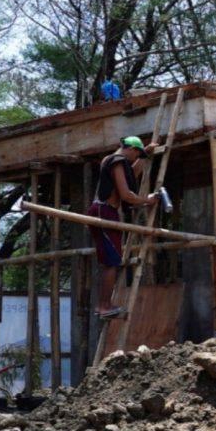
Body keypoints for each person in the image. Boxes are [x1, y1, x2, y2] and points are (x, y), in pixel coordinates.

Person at [87, 134, 163, 320]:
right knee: (112, 262)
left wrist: (145, 155)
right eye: (136, 154)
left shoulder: (113, 161)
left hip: (104, 211)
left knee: (110, 260)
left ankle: (103, 305)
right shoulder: (118, 162)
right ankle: (104, 305)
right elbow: (126, 194)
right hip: (104, 212)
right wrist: (147, 201)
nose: (135, 159)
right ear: (131, 149)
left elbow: (131, 175)